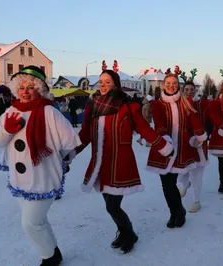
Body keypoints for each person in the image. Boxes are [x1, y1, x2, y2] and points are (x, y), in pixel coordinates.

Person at [69, 67, 173, 254]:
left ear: (116, 84)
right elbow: (84, 135)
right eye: (101, 82)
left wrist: (162, 146)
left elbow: (144, 129)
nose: (103, 86)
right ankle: (125, 232)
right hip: (101, 165)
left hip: (120, 163)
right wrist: (69, 154)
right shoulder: (92, 106)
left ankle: (129, 233)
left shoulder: (128, 106)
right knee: (110, 206)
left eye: (108, 82)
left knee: (112, 206)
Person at [0, 65, 81, 265]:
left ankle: (48, 258)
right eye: (21, 87)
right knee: (38, 221)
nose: (25, 91)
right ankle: (53, 251)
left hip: (43, 177)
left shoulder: (49, 112)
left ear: (39, 89)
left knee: (30, 223)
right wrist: (6, 130)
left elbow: (70, 142)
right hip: (19, 179)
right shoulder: (11, 110)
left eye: (31, 87)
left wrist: (64, 159)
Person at [147, 69, 206, 225]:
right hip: (163, 148)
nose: (171, 86)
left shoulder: (186, 102)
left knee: (171, 182)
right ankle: (176, 212)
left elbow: (194, 121)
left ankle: (178, 213)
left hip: (182, 148)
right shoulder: (157, 104)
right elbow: (159, 124)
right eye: (168, 84)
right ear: (163, 85)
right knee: (166, 184)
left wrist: (200, 135)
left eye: (174, 84)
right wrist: (164, 140)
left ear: (177, 85)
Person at [178, 79, 210, 213]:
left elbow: (209, 121)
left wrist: (204, 136)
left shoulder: (201, 105)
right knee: (181, 170)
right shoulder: (178, 105)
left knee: (196, 174)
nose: (189, 92)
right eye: (186, 90)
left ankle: (196, 201)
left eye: (192, 90)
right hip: (183, 143)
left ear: (195, 91)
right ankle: (185, 184)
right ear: (182, 91)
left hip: (199, 143)